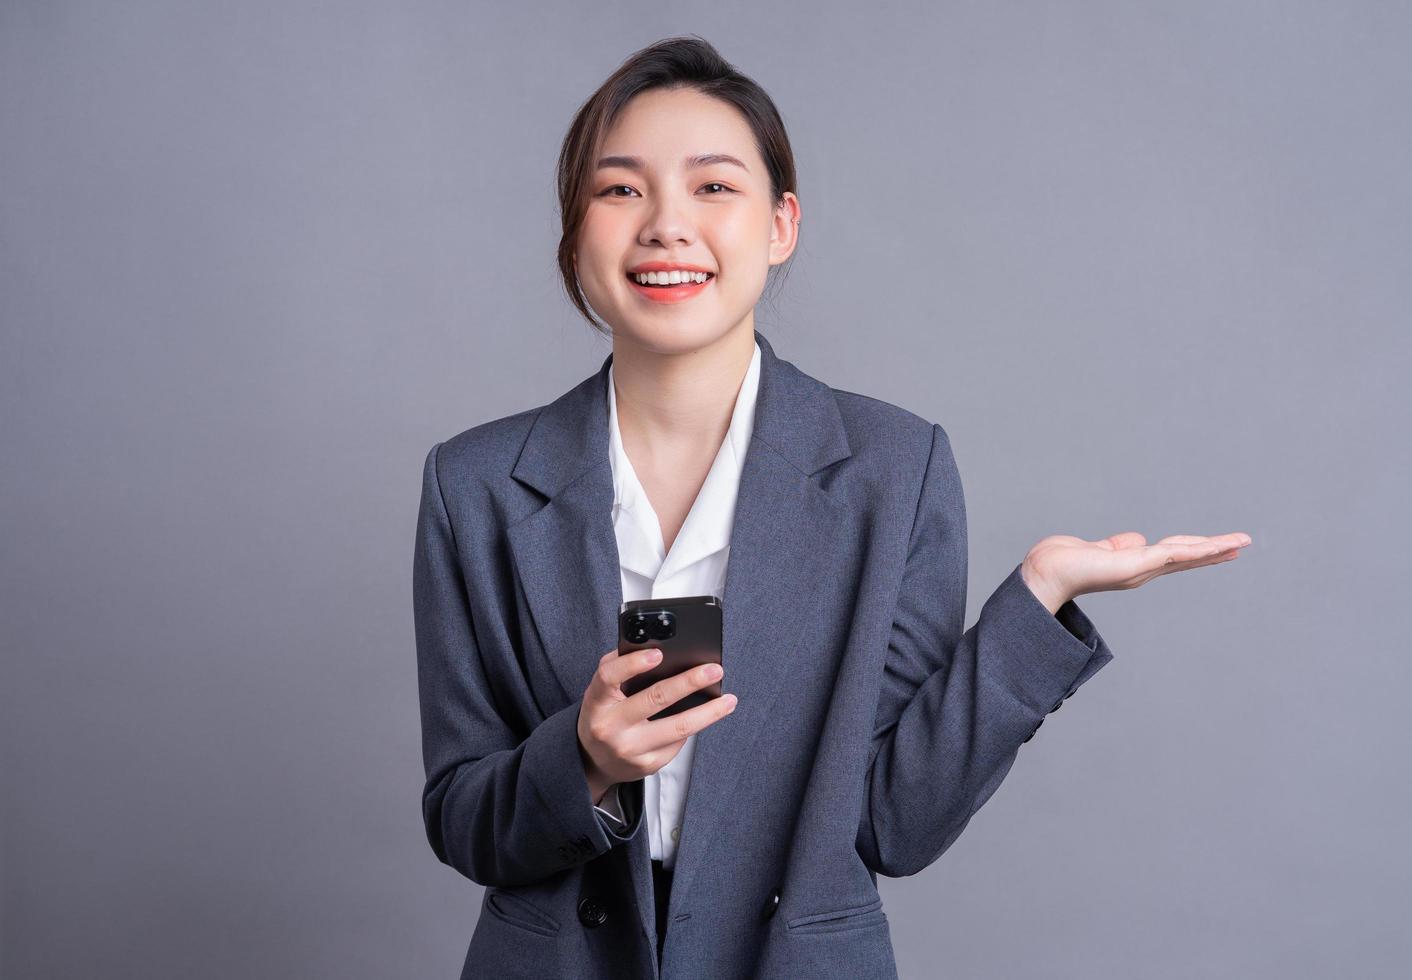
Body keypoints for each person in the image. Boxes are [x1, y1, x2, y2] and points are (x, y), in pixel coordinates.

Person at [412, 35, 1251, 980]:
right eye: (621, 190)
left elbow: (894, 822)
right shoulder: (473, 484)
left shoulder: (896, 470)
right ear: (574, 234)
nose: (666, 225)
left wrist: (1037, 604)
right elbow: (461, 817)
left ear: (781, 225)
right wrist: (585, 757)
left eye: (714, 187)